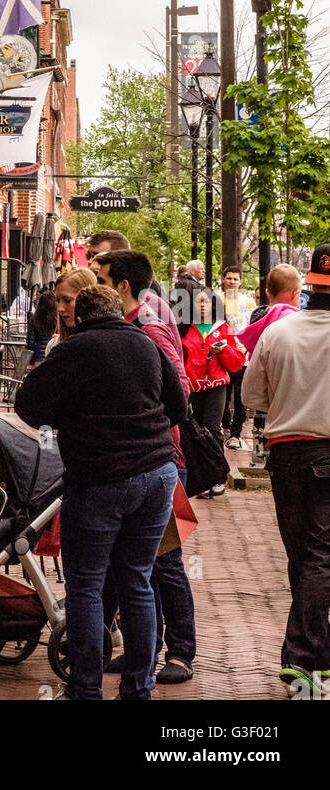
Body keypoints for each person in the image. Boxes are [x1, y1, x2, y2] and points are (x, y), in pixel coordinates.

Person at [16, 283, 186, 701]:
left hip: (99, 479)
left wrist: (67, 414)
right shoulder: (146, 343)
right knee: (138, 582)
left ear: (81, 315)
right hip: (157, 474)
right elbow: (179, 405)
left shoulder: (74, 351)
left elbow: (28, 406)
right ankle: (138, 688)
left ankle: (85, 689)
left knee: (87, 587)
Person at [94, 251, 196, 684]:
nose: (95, 287)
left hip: (162, 461)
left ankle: (181, 653)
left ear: (121, 287)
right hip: (143, 460)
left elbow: (182, 391)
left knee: (166, 563)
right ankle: (144, 652)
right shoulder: (131, 326)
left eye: (100, 279)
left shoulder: (150, 329)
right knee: (139, 566)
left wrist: (144, 428)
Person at [242, 243, 330, 697]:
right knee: (320, 557)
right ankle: (307, 656)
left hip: (287, 455)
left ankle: (308, 657)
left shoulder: (278, 333)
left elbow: (250, 398)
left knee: (304, 555)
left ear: (309, 286)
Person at [179, 287, 245, 497]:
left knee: (212, 427)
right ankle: (201, 476)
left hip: (216, 385)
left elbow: (236, 364)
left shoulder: (225, 328)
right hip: (192, 387)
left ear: (214, 305)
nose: (201, 305)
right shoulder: (184, 329)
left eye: (205, 302)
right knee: (195, 431)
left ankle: (218, 475)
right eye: (197, 302)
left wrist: (223, 350)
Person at [220, 267, 256, 450]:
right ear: (223, 280)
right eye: (229, 278)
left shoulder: (249, 303)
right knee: (224, 401)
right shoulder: (217, 301)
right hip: (224, 356)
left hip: (243, 358)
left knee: (241, 400)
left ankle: (235, 434)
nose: (232, 281)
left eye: (235, 279)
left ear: (240, 281)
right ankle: (226, 428)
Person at [46, 268, 97, 353]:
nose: (59, 308)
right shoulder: (54, 346)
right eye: (57, 300)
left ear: (87, 299)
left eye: (67, 300)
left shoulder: (106, 342)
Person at [25, 285, 58, 366]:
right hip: (55, 356)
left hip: (39, 357)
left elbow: (30, 343)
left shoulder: (35, 320)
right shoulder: (58, 319)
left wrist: (31, 360)